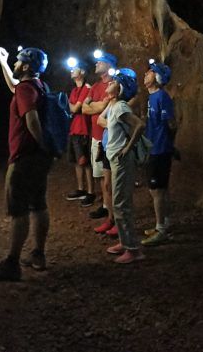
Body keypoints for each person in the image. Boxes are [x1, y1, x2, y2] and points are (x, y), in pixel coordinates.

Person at [0, 46, 52, 282]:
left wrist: (40, 144)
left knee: (19, 210)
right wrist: (3, 60)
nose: (15, 63)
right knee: (39, 205)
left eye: (17, 61)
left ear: (26, 66)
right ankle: (38, 254)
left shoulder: (25, 90)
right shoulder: (38, 86)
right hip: (39, 159)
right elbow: (14, 86)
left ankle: (12, 262)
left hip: (25, 157)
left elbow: (31, 118)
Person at [98, 69, 146, 263]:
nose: (109, 82)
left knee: (121, 204)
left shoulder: (120, 107)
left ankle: (133, 250)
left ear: (120, 89)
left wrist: (127, 148)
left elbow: (139, 125)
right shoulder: (115, 105)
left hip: (121, 161)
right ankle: (125, 242)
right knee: (119, 203)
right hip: (116, 158)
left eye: (114, 81)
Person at [141, 60, 176, 247]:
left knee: (157, 190)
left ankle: (161, 228)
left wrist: (168, 144)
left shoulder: (162, 97)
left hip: (160, 149)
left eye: (151, 72)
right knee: (159, 189)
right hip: (154, 147)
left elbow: (171, 123)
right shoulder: (152, 97)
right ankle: (164, 222)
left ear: (158, 77)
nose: (146, 74)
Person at [82, 51, 117, 224]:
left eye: (100, 62)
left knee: (108, 176)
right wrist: (95, 106)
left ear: (109, 65)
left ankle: (111, 210)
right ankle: (105, 205)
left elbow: (101, 106)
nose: (96, 64)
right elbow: (84, 108)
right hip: (96, 136)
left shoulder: (113, 85)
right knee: (101, 175)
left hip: (108, 137)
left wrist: (93, 106)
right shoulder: (95, 86)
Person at [64, 58, 94, 204]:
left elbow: (75, 108)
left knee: (85, 161)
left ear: (82, 72)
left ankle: (90, 191)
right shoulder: (74, 90)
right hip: (73, 129)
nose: (71, 70)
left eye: (74, 68)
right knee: (77, 160)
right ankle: (81, 189)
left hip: (83, 129)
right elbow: (72, 107)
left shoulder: (87, 88)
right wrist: (71, 106)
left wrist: (70, 105)